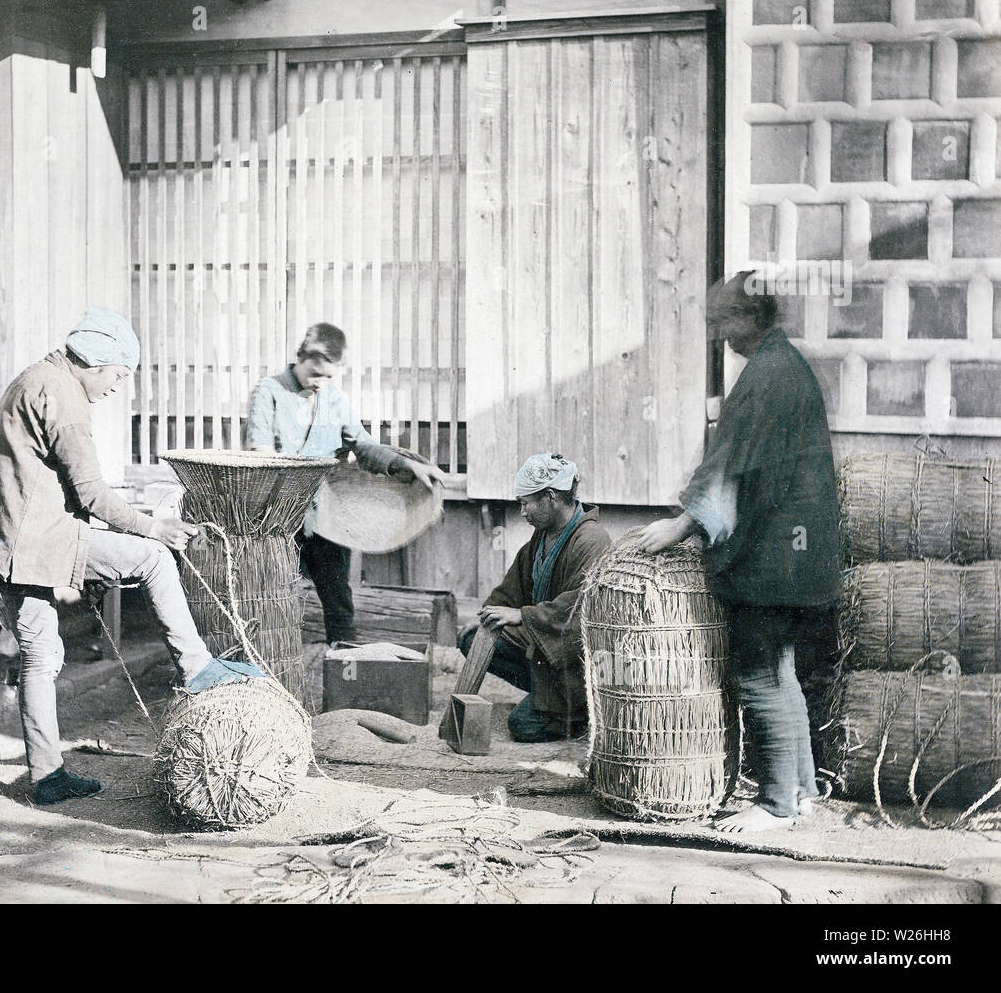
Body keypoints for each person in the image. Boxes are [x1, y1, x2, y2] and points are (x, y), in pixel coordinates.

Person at [0, 307, 262, 806]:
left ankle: (47, 776)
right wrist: (152, 527)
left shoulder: (35, 376)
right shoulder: (64, 397)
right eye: (118, 375)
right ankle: (196, 665)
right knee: (154, 559)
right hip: (34, 538)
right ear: (96, 363)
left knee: (40, 653)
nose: (117, 387)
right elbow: (93, 494)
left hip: (2, 539)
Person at [637, 270, 841, 833]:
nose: (716, 333)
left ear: (752, 319)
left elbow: (733, 466)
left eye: (721, 320)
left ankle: (774, 803)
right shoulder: (784, 366)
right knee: (781, 672)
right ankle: (799, 792)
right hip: (801, 555)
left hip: (776, 558)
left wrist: (682, 525)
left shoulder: (768, 375)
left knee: (758, 675)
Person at [245, 323, 446, 644]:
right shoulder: (269, 392)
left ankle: (344, 668)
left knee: (338, 600)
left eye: (328, 377)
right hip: (275, 515)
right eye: (315, 373)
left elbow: (363, 446)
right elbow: (261, 453)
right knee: (273, 600)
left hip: (326, 516)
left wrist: (405, 463)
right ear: (300, 357)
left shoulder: (334, 399)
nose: (321, 383)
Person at [457, 453, 611, 742]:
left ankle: (579, 715)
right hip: (547, 650)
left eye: (526, 502)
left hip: (576, 666)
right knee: (472, 639)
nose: (522, 511)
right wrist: (485, 619)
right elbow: (509, 592)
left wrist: (523, 616)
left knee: (523, 726)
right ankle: (544, 696)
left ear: (550, 497)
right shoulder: (541, 537)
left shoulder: (592, 540)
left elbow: (582, 607)